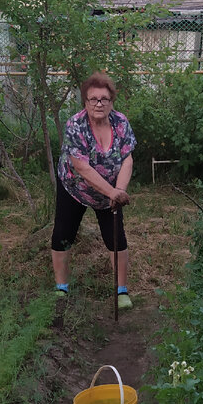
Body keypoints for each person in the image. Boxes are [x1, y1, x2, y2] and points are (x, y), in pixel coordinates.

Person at [51, 72, 136, 310]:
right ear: (85, 102)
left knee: (116, 237)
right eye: (93, 99)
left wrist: (119, 190)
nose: (99, 104)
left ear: (111, 101)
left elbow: (127, 158)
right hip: (75, 187)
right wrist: (112, 192)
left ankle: (121, 291)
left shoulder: (120, 123)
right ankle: (61, 288)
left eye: (104, 99)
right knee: (63, 234)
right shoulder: (75, 125)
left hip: (111, 191)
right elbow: (81, 167)